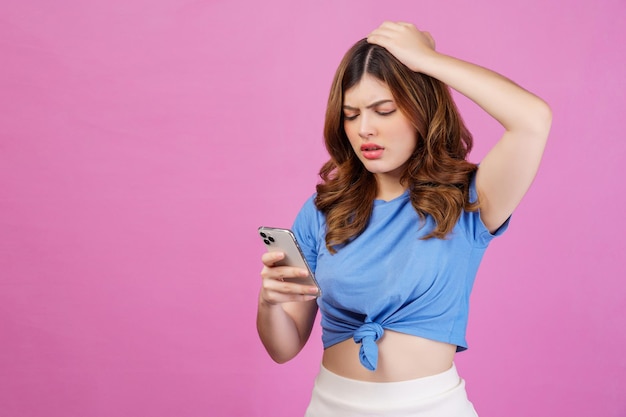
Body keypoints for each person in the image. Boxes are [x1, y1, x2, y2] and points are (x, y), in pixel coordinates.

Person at [256, 21, 551, 416]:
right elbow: (284, 348)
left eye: (384, 110)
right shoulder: (323, 210)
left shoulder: (467, 199)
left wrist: (427, 61)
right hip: (331, 406)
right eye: (350, 114)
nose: (365, 129)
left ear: (420, 110)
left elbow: (533, 119)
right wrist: (269, 301)